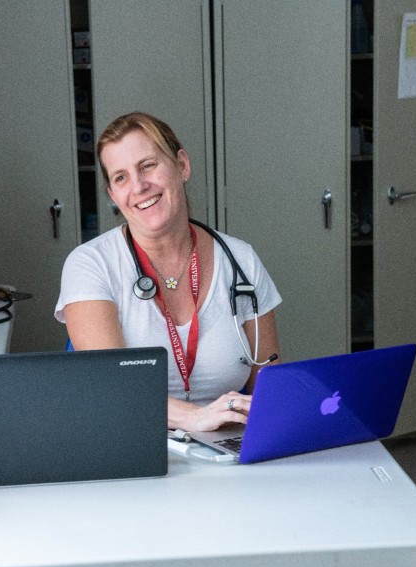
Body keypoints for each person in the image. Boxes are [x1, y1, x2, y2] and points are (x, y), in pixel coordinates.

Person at [55, 112, 282, 432]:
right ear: (113, 196)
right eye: (120, 177)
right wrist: (195, 417)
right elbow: (114, 385)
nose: (139, 186)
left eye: (148, 165)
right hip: (128, 444)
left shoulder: (240, 260)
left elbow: (269, 388)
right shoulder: (91, 264)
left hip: (226, 450)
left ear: (182, 165)